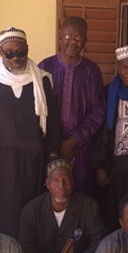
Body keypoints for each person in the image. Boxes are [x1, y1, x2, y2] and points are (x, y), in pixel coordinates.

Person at [0, 27, 60, 239]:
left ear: (27, 50)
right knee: (4, 214)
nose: (15, 58)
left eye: (20, 53)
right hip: (0, 163)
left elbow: (53, 123)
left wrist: (52, 158)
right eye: (9, 53)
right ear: (0, 52)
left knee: (33, 211)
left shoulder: (43, 80)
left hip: (34, 162)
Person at [19, 158, 106, 253]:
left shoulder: (88, 206)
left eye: (66, 180)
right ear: (47, 183)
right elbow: (25, 248)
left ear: (73, 182)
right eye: (56, 180)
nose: (62, 186)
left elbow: (99, 240)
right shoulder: (31, 210)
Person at [38, 16, 105, 195]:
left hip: (80, 149)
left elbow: (98, 111)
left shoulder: (91, 71)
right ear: (60, 37)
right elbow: (36, 108)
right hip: (48, 147)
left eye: (78, 37)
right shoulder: (44, 67)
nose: (73, 41)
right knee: (50, 193)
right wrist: (53, 144)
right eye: (68, 36)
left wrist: (73, 140)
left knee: (80, 193)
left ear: (85, 41)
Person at [90, 44, 128, 231]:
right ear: (117, 68)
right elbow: (99, 131)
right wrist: (99, 167)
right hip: (114, 168)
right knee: (113, 214)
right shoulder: (108, 92)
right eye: (124, 67)